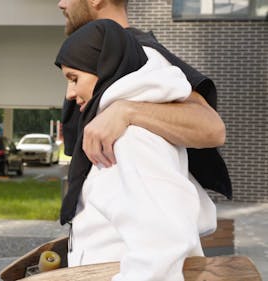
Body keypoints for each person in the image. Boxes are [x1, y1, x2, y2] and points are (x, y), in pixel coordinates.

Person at [55, 19, 218, 281]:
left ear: (104, 68)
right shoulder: (119, 128)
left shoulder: (131, 138)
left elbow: (163, 246)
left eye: (74, 78)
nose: (70, 93)